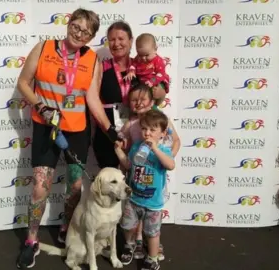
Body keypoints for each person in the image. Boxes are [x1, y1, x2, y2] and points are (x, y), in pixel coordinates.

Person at [15, 8, 120, 269]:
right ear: (68, 23)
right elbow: (23, 83)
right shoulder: (45, 47)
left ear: (92, 36)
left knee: (75, 187)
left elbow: (92, 99)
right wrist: (40, 106)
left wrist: (111, 131)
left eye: (87, 31)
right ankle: (32, 241)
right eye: (77, 26)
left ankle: (68, 228)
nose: (80, 33)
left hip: (77, 131)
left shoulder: (93, 59)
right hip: (46, 127)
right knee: (40, 186)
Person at [92, 21, 168, 170]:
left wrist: (161, 92)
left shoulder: (142, 66)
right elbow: (93, 100)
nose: (116, 43)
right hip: (108, 134)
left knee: (138, 179)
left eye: (121, 39)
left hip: (140, 132)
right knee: (111, 183)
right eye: (112, 39)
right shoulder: (102, 67)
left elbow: (158, 97)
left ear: (131, 40)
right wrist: (110, 132)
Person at [119, 83, 180, 262]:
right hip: (137, 172)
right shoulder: (131, 122)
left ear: (151, 100)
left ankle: (149, 246)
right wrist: (121, 143)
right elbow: (123, 139)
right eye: (134, 100)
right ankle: (135, 242)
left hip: (154, 172)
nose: (138, 103)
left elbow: (176, 141)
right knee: (134, 212)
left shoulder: (162, 120)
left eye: (142, 99)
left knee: (151, 219)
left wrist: (163, 160)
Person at [124, 33, 170, 107]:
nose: (143, 58)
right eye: (140, 55)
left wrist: (152, 81)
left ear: (155, 49)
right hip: (143, 84)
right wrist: (131, 72)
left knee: (153, 97)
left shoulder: (158, 60)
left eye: (146, 55)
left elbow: (161, 74)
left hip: (156, 82)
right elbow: (133, 65)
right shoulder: (138, 58)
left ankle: (154, 109)